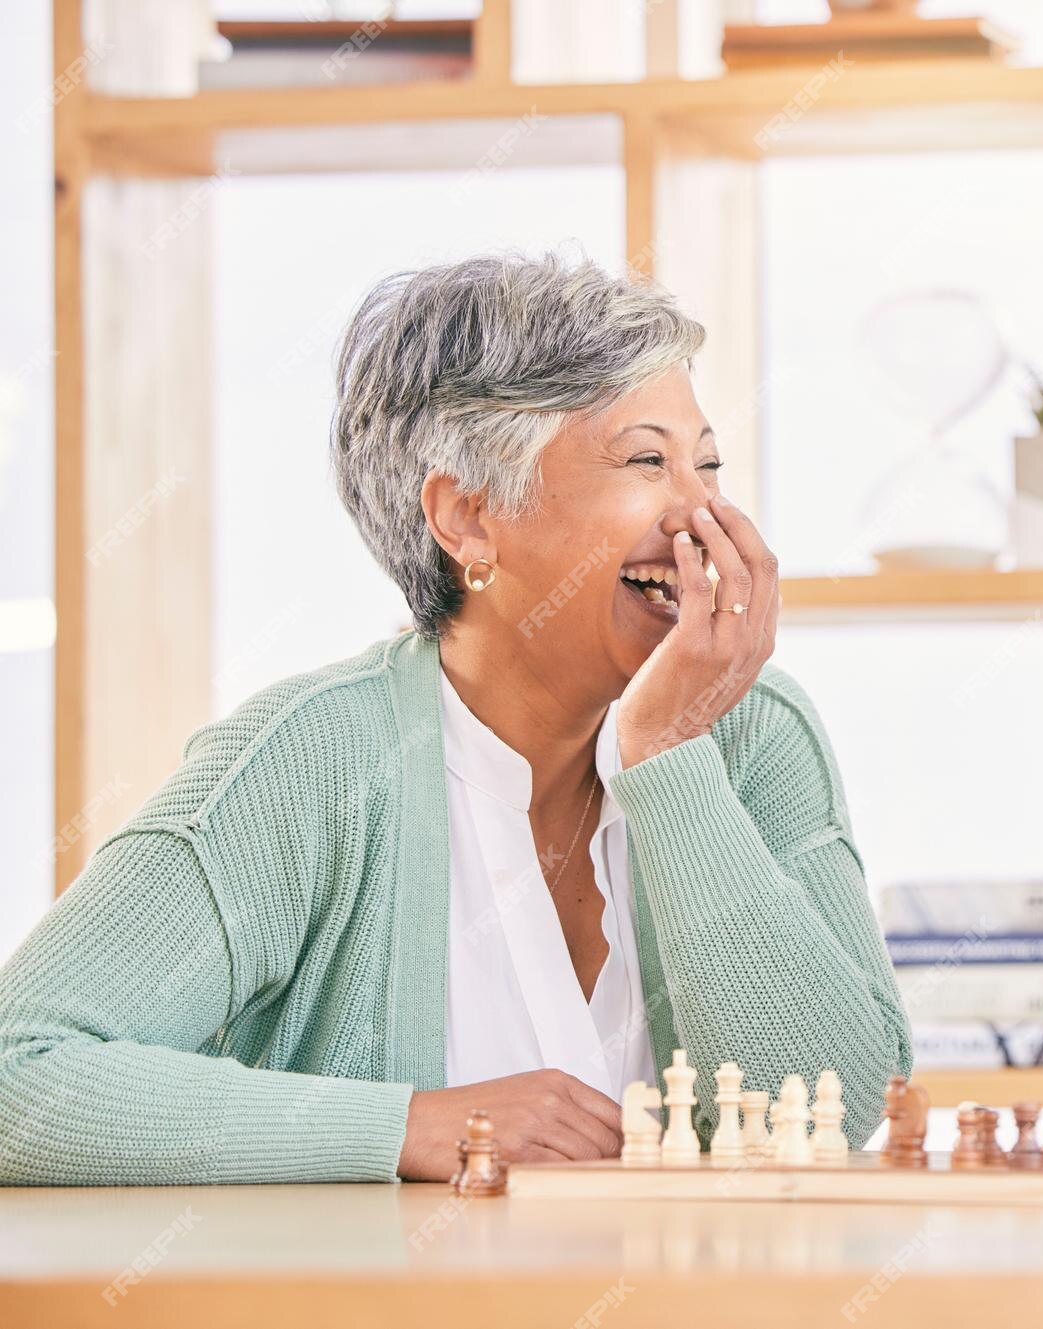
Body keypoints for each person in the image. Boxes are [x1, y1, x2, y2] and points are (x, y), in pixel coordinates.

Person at [0, 253, 911, 1184]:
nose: (703, 514)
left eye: (707, 464)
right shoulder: (313, 761)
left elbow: (830, 1112)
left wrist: (671, 754)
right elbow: (15, 1073)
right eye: (647, 460)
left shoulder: (754, 731)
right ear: (469, 518)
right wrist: (411, 1127)